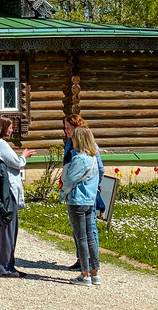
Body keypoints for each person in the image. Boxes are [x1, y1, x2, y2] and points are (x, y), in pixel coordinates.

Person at [0, 116, 35, 278]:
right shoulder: (1, 144)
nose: (12, 130)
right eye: (10, 127)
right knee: (8, 226)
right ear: (3, 128)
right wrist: (24, 156)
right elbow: (16, 162)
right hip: (7, 189)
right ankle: (6, 267)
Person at [62, 114, 104, 270]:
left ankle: (92, 264)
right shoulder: (69, 144)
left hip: (85, 192)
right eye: (65, 128)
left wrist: (93, 185)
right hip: (73, 192)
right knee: (78, 230)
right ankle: (82, 259)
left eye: (68, 128)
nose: (66, 131)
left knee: (89, 230)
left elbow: (99, 168)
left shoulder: (90, 146)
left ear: (77, 127)